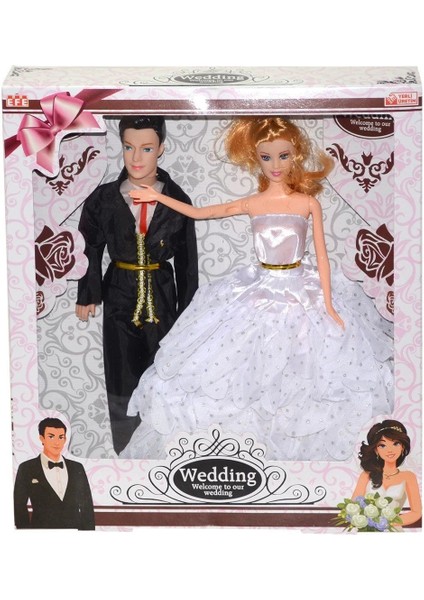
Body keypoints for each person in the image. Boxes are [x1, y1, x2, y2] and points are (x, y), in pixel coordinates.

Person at [120, 116, 393, 461]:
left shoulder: (307, 203)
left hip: (301, 291)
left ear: (296, 155)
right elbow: (200, 213)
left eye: (283, 155)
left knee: (307, 377)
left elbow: (322, 257)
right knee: (238, 371)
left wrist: (329, 304)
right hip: (260, 289)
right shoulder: (253, 203)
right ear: (256, 158)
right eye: (266, 157)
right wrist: (157, 196)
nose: (275, 165)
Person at [76, 116, 198, 455]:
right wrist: (88, 293)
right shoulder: (104, 198)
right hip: (120, 289)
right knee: (120, 373)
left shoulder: (176, 197)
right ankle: (126, 453)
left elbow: (187, 262)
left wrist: (189, 314)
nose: (136, 157)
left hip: (161, 291)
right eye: (129, 147)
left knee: (163, 372)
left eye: (146, 148)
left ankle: (164, 451)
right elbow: (89, 247)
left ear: (161, 148)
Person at [13, 417, 95, 529]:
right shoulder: (27, 468)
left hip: (74, 533)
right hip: (41, 533)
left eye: (61, 437)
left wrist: (88, 534)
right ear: (41, 438)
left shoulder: (77, 468)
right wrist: (26, 534)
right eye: (51, 436)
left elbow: (87, 506)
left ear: (65, 439)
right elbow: (18, 505)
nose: (57, 442)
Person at [351, 420, 422, 527]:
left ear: (402, 447)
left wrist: (387, 524)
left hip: (394, 530)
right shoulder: (366, 475)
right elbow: (352, 506)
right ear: (376, 450)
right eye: (382, 445)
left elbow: (416, 512)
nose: (390, 450)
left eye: (396, 443)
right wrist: (370, 524)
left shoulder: (409, 477)